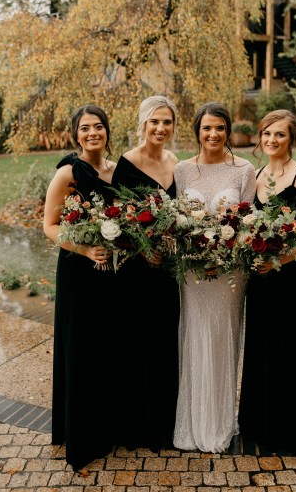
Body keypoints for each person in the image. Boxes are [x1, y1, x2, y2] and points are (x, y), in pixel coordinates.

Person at [238, 109, 296, 457]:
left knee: (286, 351)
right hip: (259, 280)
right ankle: (258, 425)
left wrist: (282, 257)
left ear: (292, 139)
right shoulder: (257, 174)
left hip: (288, 277)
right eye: (267, 134)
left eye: (280, 135)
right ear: (260, 137)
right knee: (261, 346)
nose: (272, 140)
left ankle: (286, 433)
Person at [172, 101, 256, 454]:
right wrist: (193, 251)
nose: (213, 134)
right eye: (207, 128)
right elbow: (177, 222)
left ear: (228, 132)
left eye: (220, 127)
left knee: (223, 337)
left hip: (229, 272)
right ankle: (191, 424)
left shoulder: (244, 170)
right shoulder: (182, 171)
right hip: (192, 272)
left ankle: (220, 422)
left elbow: (248, 224)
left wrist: (225, 253)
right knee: (195, 334)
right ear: (197, 131)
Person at [43, 104, 120, 471]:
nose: (93, 133)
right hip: (78, 268)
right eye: (86, 128)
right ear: (76, 134)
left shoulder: (115, 170)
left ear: (107, 131)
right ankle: (82, 434)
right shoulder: (68, 172)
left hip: (110, 271)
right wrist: (86, 248)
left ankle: (106, 425)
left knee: (105, 345)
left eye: (99, 127)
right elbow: (50, 226)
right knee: (81, 346)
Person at [113, 95, 180, 452]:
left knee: (164, 342)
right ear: (142, 124)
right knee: (136, 342)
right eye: (154, 121)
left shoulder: (175, 163)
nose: (160, 128)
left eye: (166, 122)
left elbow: (180, 215)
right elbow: (117, 220)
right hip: (136, 272)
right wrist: (143, 248)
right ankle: (135, 425)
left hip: (167, 270)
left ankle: (164, 424)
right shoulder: (126, 163)